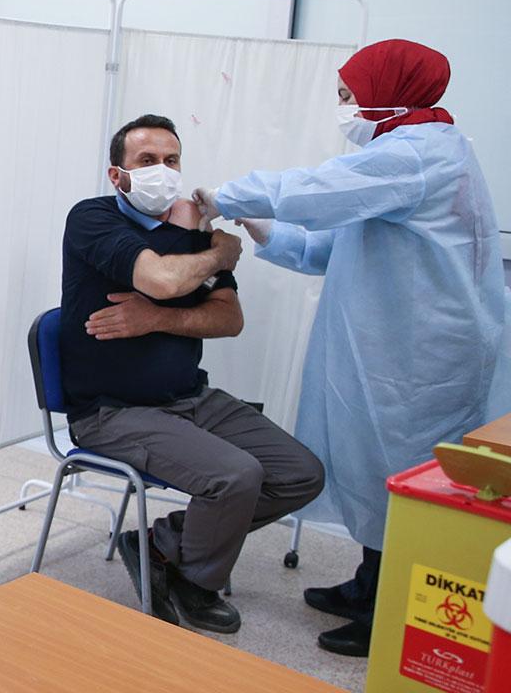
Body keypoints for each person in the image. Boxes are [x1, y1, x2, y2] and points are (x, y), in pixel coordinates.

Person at [195, 39, 506, 657]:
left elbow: (319, 188)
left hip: (425, 356)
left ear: (390, 92)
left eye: (349, 95)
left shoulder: (419, 153)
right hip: (393, 349)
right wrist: (264, 229)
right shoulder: (407, 154)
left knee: (405, 474)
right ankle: (370, 582)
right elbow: (332, 248)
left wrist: (229, 196)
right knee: (375, 468)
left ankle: (390, 609)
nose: (345, 108)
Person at [61, 114, 325, 634]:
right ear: (118, 175)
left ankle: (161, 543)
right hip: (111, 411)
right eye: (147, 161)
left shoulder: (193, 235)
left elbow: (229, 319)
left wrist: (157, 318)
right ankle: (195, 579)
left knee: (301, 473)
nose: (162, 171)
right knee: (235, 476)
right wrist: (218, 253)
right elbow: (161, 279)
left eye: (171, 160)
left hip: (190, 398)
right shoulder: (93, 219)